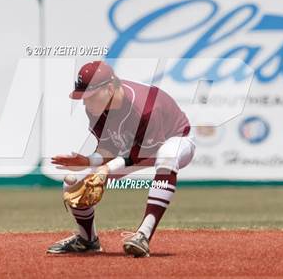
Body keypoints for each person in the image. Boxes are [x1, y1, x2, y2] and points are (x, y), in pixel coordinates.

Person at [47, 61, 195, 257]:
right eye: (83, 97)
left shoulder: (145, 108)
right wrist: (88, 162)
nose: (85, 102)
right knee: (73, 182)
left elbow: (140, 155)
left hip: (175, 139)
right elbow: (109, 147)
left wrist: (106, 169)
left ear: (109, 88)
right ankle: (87, 239)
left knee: (166, 156)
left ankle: (143, 235)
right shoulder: (96, 109)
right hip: (135, 151)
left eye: (90, 96)